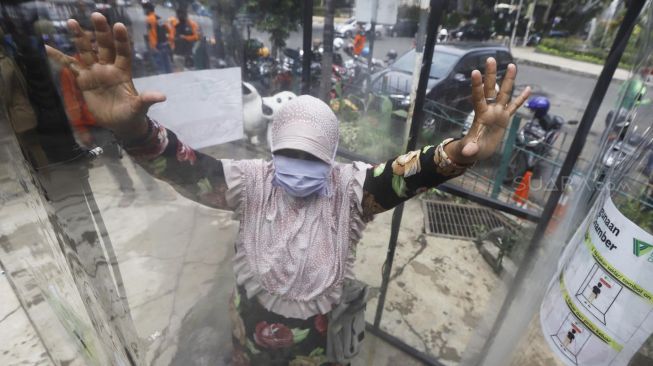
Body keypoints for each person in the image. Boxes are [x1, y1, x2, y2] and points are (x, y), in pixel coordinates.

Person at [46, 13, 530, 365]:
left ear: (331, 157)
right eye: (290, 155)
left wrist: (461, 152)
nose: (299, 168)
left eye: (312, 157)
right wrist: (133, 131)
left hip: (313, 340)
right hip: (248, 327)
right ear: (273, 150)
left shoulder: (351, 192)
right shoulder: (249, 184)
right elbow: (188, 168)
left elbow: (406, 173)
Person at [58, 18, 160, 207]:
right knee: (112, 161)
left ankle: (153, 188)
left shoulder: (114, 64)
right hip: (95, 125)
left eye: (94, 41)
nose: (93, 46)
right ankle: (127, 191)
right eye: (88, 42)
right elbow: (71, 100)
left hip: (123, 120)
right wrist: (81, 129)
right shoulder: (72, 70)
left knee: (139, 155)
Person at [143, 2, 172, 74]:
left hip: (158, 46)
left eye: (144, 9)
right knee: (167, 66)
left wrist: (153, 47)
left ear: (148, 10)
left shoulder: (149, 19)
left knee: (160, 68)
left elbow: (152, 34)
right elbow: (169, 30)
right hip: (165, 44)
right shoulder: (159, 18)